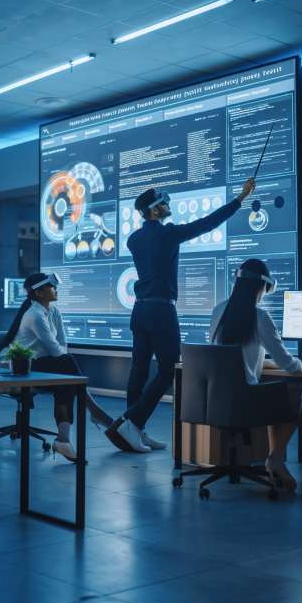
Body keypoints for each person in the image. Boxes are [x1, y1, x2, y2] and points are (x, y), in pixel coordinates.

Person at [106, 177, 258, 454]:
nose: (167, 205)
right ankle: (132, 422)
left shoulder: (133, 239)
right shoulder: (167, 234)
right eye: (163, 202)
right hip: (161, 310)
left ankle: (133, 430)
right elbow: (208, 223)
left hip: (139, 310)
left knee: (138, 370)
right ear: (154, 210)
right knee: (168, 370)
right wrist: (240, 199)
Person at [210, 259, 302, 490]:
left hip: (215, 402)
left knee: (275, 396)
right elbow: (289, 365)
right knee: (295, 394)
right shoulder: (259, 317)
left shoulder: (218, 311)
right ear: (263, 287)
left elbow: (228, 357)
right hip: (245, 403)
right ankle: (275, 458)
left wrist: (262, 363)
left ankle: (274, 461)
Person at [0, 272, 115, 462]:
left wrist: (55, 351)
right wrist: (54, 351)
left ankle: (63, 439)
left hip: (40, 365)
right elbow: (57, 351)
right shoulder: (34, 316)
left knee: (67, 378)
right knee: (67, 364)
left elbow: (62, 347)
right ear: (39, 293)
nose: (56, 289)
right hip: (20, 369)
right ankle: (95, 411)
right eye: (52, 287)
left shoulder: (54, 312)